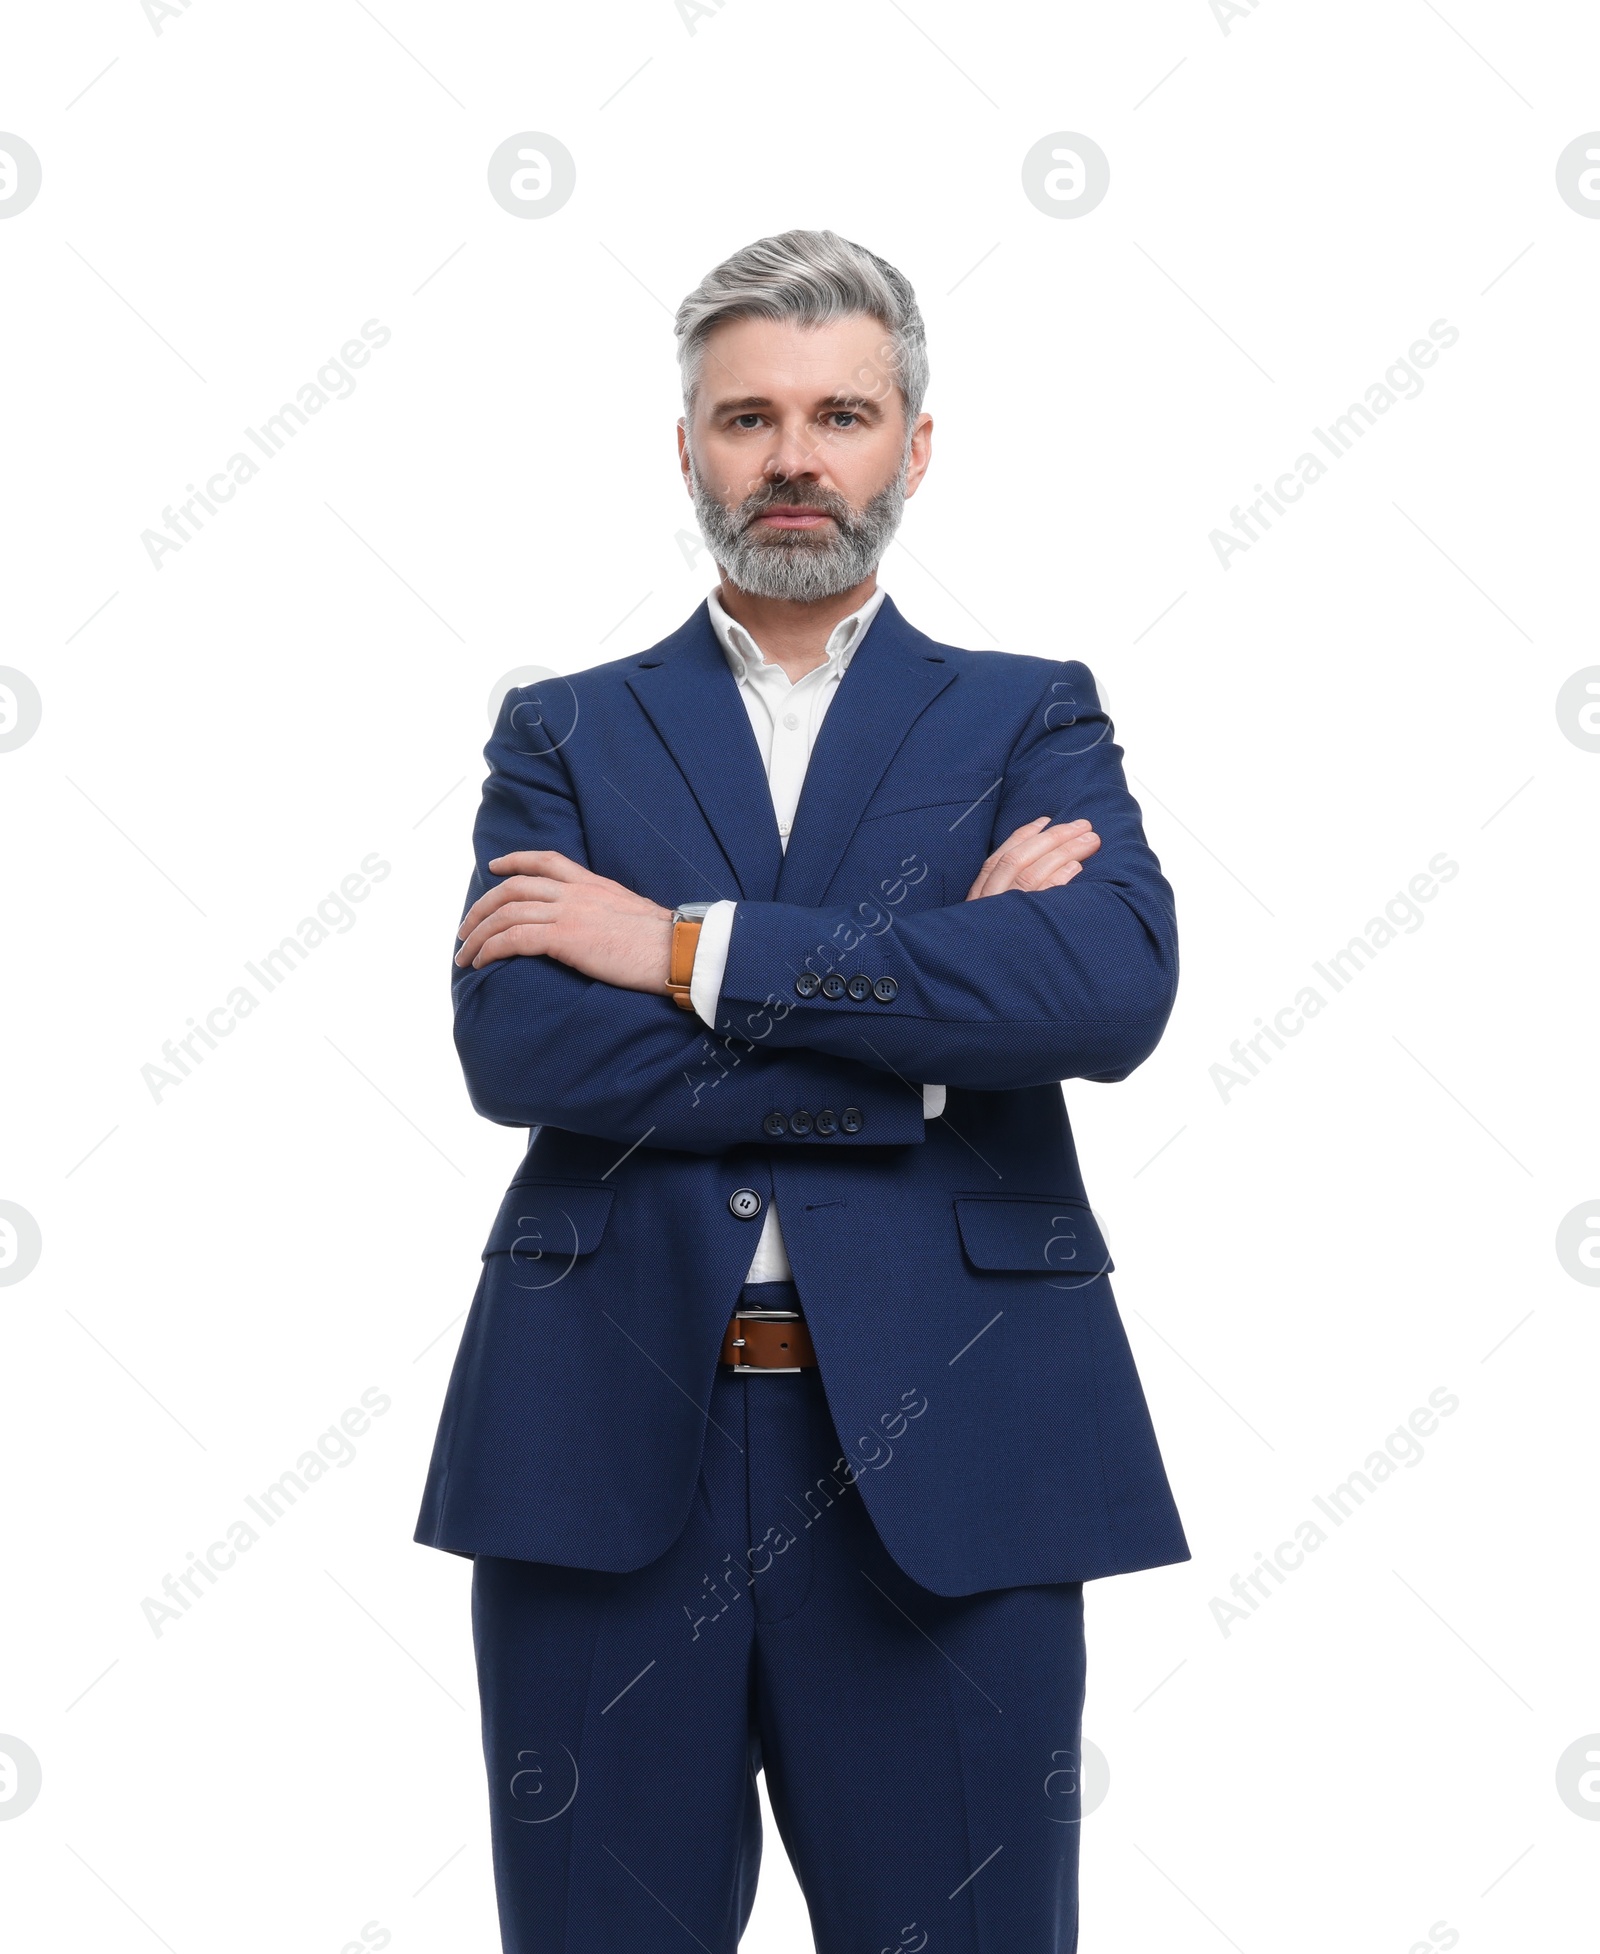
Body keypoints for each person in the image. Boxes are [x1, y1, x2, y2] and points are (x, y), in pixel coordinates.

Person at [414, 228, 1189, 1954]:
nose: (791, 455)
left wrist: (679, 950)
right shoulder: (564, 734)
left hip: (959, 1451)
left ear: (913, 447)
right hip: (603, 1454)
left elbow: (1103, 990)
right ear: (685, 447)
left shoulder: (1025, 718)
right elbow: (523, 1049)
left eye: (840, 411)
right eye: (746, 414)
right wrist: (921, 1029)